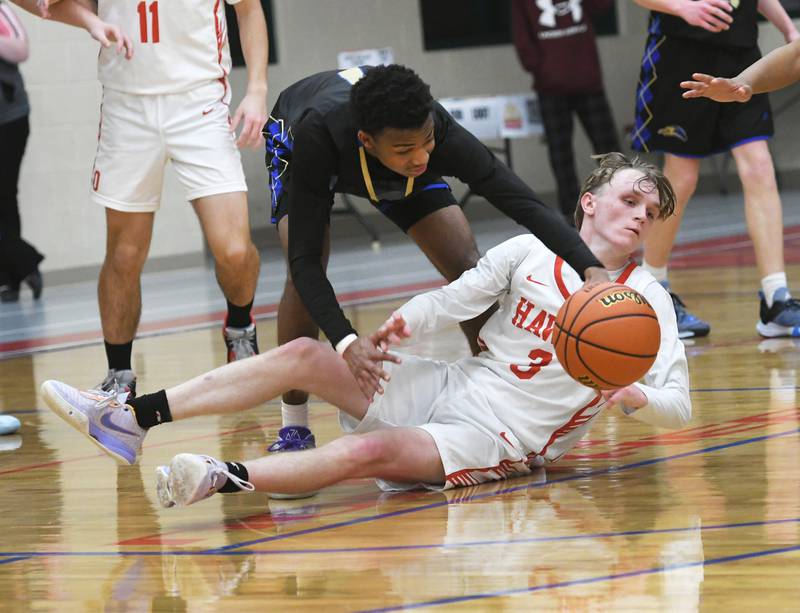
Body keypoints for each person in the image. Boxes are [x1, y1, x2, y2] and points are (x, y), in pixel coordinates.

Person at [40, 152, 692, 506]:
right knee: (303, 352)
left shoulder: (644, 301)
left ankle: (223, 473)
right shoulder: (529, 250)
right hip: (450, 382)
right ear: (589, 199)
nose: (640, 215)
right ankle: (130, 418)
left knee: (370, 454)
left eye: (651, 211)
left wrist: (634, 395)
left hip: (498, 435)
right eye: (630, 199)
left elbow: (679, 405)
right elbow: (461, 294)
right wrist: (403, 323)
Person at [260, 64, 608, 481]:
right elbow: (302, 263)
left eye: (427, 143)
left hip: (385, 159)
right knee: (306, 272)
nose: (422, 157)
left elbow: (521, 201)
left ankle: (491, 400)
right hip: (301, 140)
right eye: (408, 148)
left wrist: (590, 265)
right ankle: (294, 424)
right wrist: (346, 339)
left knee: (467, 266)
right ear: (367, 141)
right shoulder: (318, 135)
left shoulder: (432, 134)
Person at [13, 0, 268, 395]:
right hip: (127, 106)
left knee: (234, 250)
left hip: (199, 102)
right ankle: (119, 375)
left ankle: (240, 326)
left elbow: (249, 9)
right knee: (125, 253)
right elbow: (45, 5)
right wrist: (90, 20)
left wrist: (256, 90)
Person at [631, 0, 800, 339]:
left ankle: (775, 298)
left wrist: (788, 29)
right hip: (681, 54)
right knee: (682, 178)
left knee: (759, 166)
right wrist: (681, 8)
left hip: (740, 54)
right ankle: (655, 289)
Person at [511, 0, 621, 223]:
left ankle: (621, 200)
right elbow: (522, 39)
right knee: (560, 153)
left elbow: (604, 5)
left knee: (608, 147)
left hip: (588, 80)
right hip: (550, 86)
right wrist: (542, 70)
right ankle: (572, 213)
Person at [0, 0, 43, 303]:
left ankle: (20, 267)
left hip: (9, 120)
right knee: (4, 200)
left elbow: (21, 50)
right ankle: (15, 272)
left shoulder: (2, 11)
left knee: (5, 196)